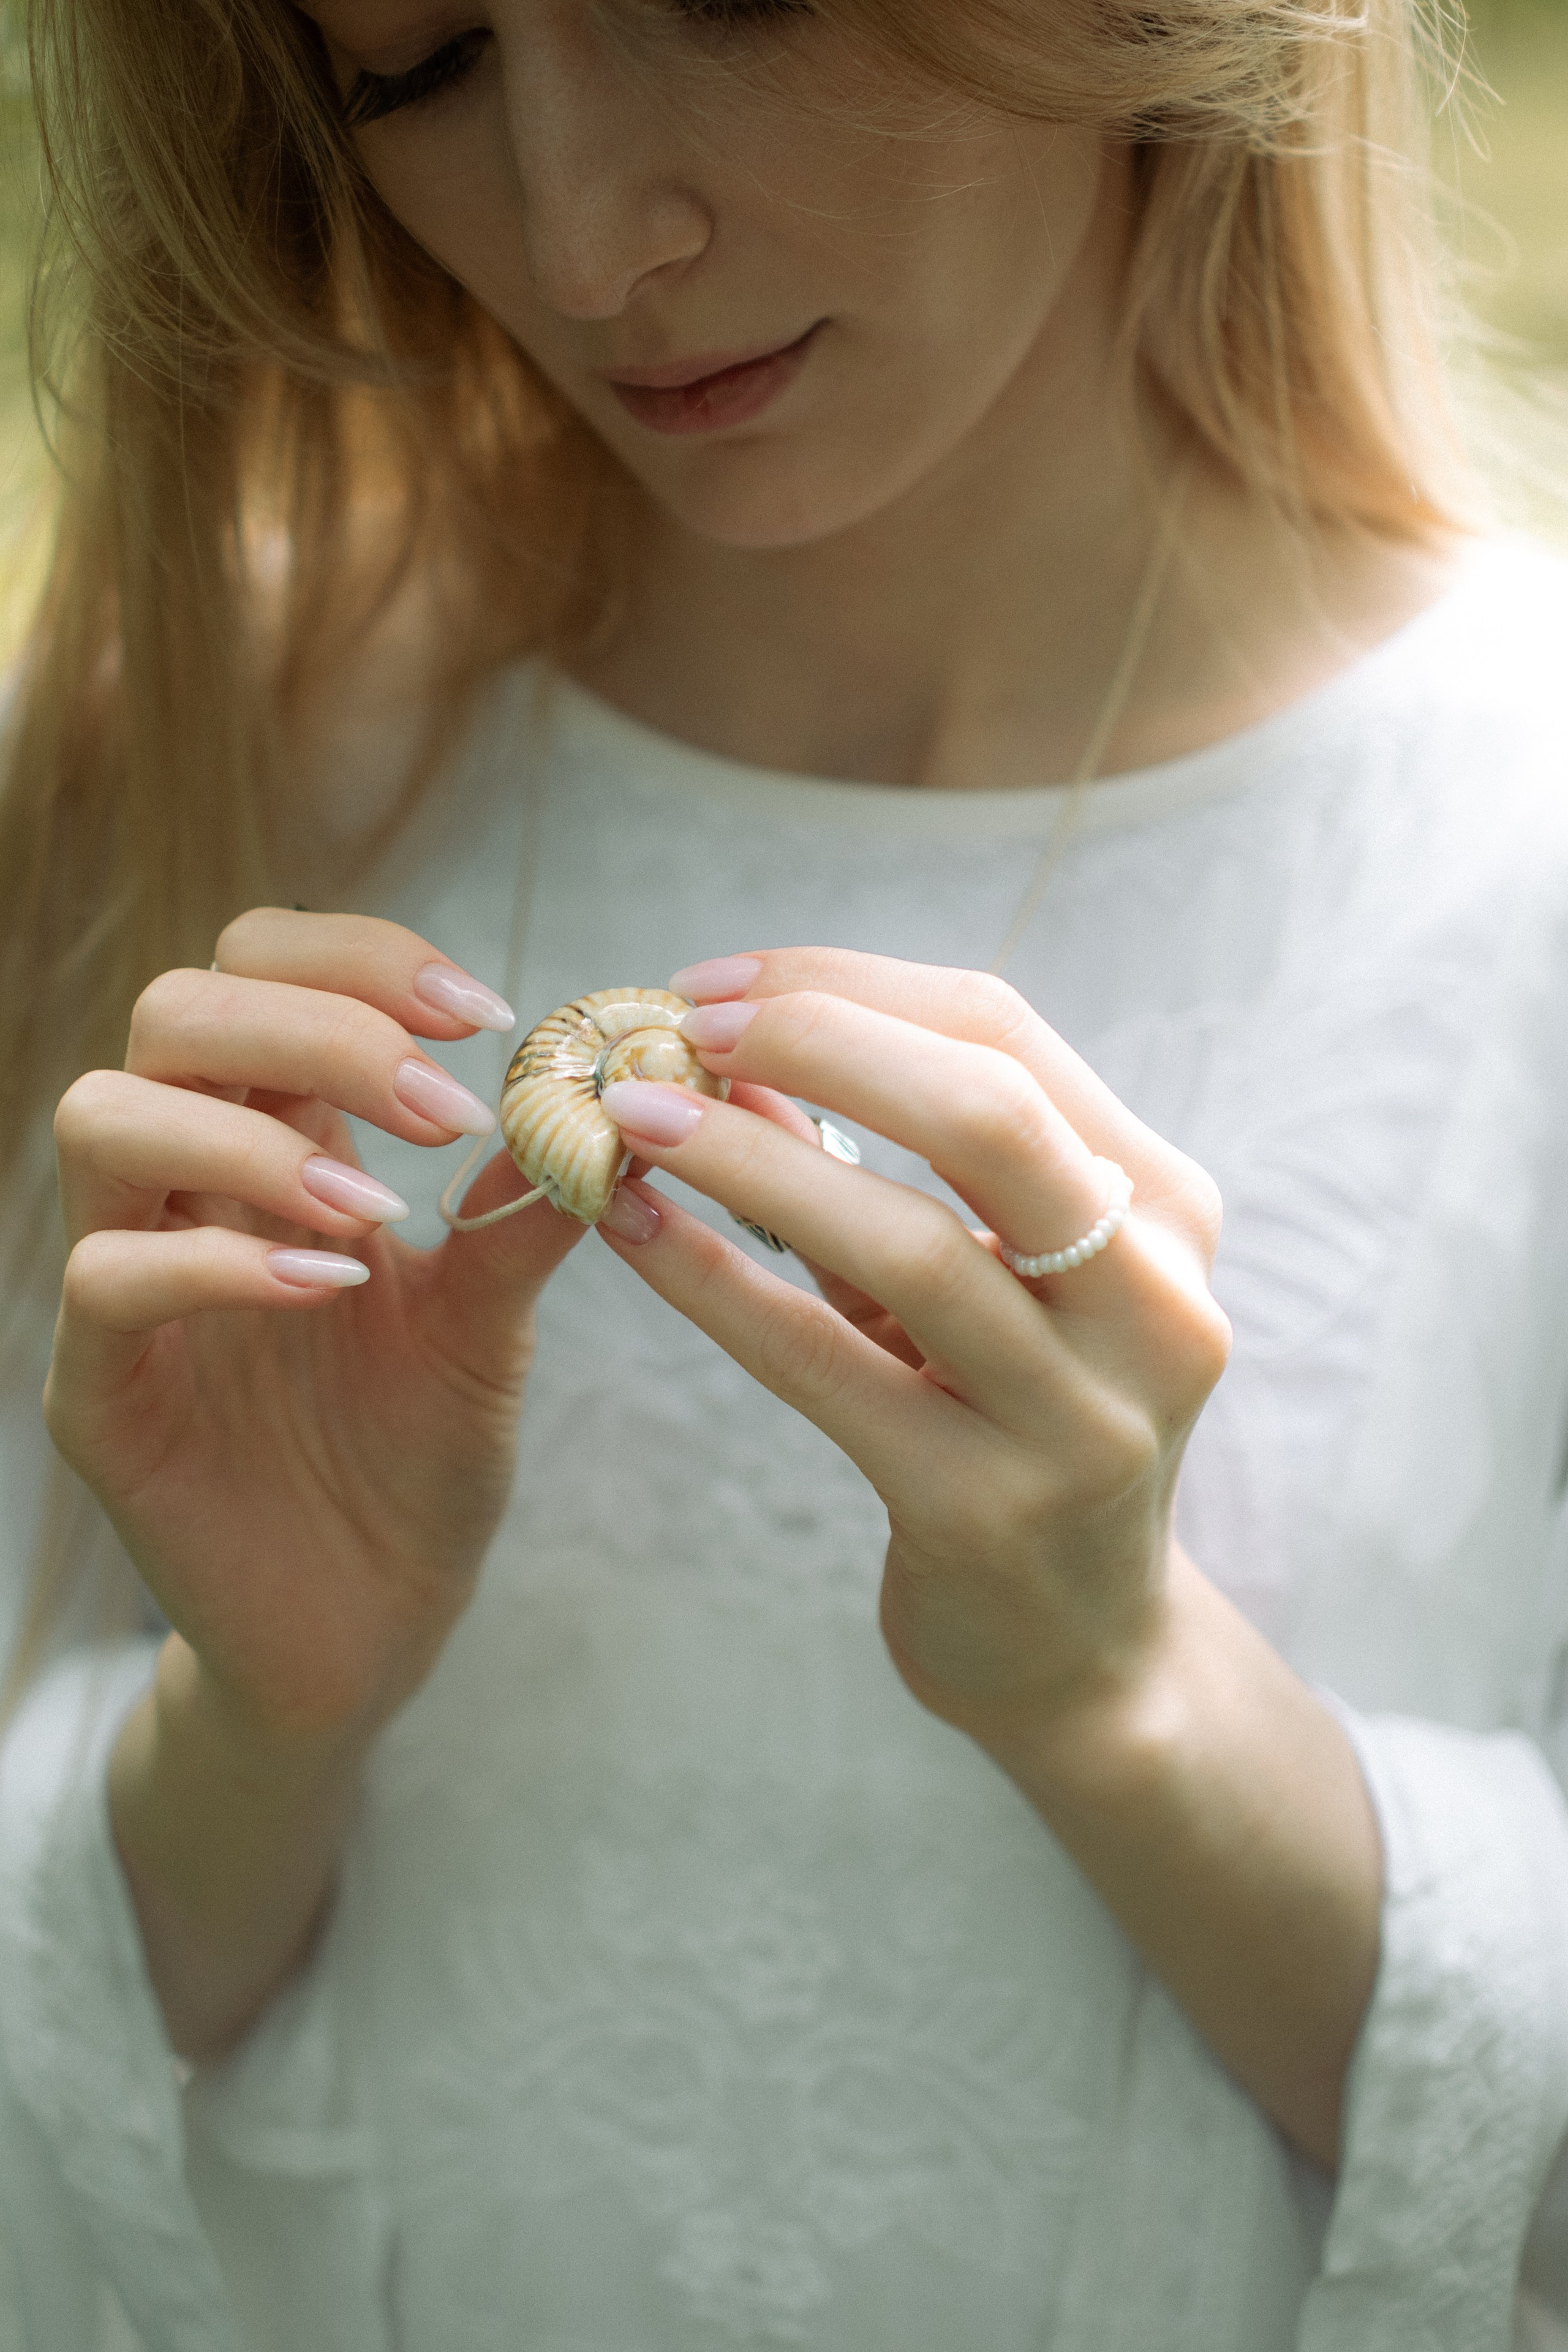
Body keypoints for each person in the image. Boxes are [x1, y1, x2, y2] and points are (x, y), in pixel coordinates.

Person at [1, 0, 1567, 2344]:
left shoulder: (1515, 851)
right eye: (414, 64)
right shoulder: (183, 786)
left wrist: (1127, 1691)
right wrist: (255, 1730)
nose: (586, 238)